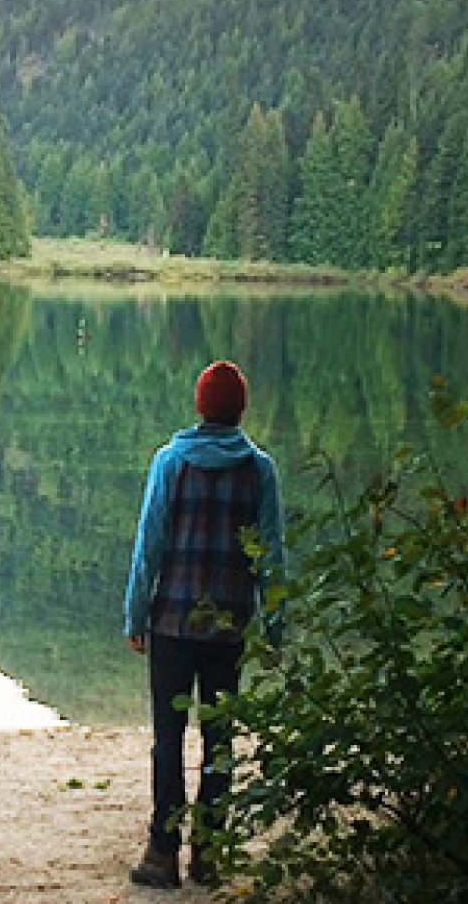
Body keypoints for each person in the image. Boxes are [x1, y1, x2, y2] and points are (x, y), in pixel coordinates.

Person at [121, 360, 284, 889]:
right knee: (219, 738)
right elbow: (273, 558)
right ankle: (210, 854)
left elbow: (149, 547)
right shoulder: (259, 469)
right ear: (241, 408)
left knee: (167, 739)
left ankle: (162, 854)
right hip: (229, 630)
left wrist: (135, 613)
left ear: (199, 405)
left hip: (170, 622)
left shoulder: (170, 462)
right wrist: (275, 628)